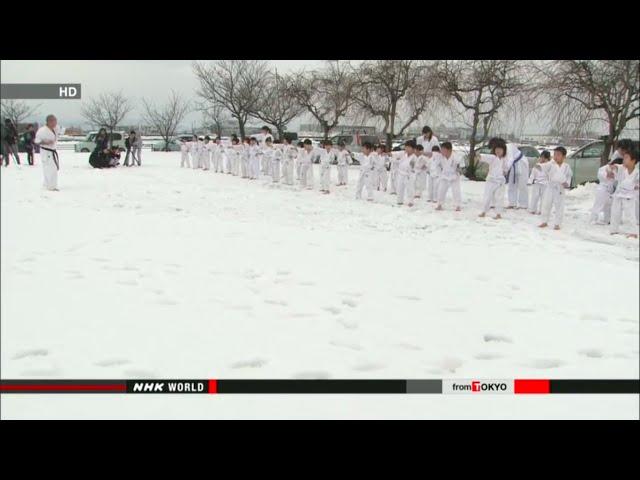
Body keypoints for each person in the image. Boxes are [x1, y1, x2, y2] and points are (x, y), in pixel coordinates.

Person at [538, 146, 572, 230]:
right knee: (546, 204)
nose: (555, 157)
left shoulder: (567, 167)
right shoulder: (551, 164)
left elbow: (569, 177)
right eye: (554, 154)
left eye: (558, 155)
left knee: (559, 206)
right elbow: (540, 168)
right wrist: (541, 163)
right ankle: (544, 221)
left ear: (564, 157)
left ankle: (557, 224)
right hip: (550, 187)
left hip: (560, 188)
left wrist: (566, 183)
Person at [476, 138, 510, 219]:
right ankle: (484, 211)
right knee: (487, 196)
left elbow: (506, 169)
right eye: (496, 149)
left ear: (504, 151)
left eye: (500, 149)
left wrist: (505, 172)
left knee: (499, 197)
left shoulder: (505, 159)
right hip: (491, 181)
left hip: (500, 182)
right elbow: (483, 157)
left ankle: (498, 213)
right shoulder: (492, 157)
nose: (498, 151)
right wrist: (478, 156)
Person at [609, 147, 639, 238]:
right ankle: (614, 229)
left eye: (626, 158)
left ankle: (633, 232)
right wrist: (613, 167)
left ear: (633, 160)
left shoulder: (637, 172)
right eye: (624, 158)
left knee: (630, 214)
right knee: (615, 212)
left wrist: (637, 186)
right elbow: (614, 168)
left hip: (629, 195)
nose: (624, 160)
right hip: (619, 194)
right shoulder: (622, 168)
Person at [589, 157, 620, 224]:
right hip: (602, 188)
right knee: (599, 204)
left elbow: (617, 179)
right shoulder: (605, 168)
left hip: (610, 190)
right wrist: (607, 174)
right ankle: (593, 219)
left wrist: (613, 175)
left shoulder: (617, 170)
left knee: (609, 206)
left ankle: (608, 219)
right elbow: (600, 175)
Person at [435, 142, 464, 211]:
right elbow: (437, 166)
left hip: (454, 176)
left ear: (449, 150)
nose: (441, 151)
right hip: (444, 176)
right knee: (441, 190)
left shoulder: (457, 157)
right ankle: (439, 204)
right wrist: (439, 173)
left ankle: (458, 205)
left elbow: (462, 167)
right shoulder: (439, 156)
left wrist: (460, 169)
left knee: (456, 191)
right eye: (441, 149)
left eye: (443, 149)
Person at [34, 115, 60, 190]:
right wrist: (45, 142)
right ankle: (50, 186)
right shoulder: (42, 131)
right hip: (46, 151)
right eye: (53, 121)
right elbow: (36, 141)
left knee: (53, 168)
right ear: (48, 121)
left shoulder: (56, 128)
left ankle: (48, 184)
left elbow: (58, 134)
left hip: (52, 151)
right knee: (49, 168)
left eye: (55, 121)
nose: (55, 123)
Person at [389, 140, 418, 206]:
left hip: (409, 175)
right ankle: (400, 201)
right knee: (400, 188)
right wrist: (390, 153)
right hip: (401, 174)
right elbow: (396, 154)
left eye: (408, 147)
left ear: (413, 149)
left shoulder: (414, 157)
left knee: (410, 188)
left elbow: (412, 167)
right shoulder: (404, 154)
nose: (406, 148)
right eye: (406, 147)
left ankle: (411, 201)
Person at [505, 143, 529, 209]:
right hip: (513, 166)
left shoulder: (508, 146)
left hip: (521, 163)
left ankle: (523, 204)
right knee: (511, 184)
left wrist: (505, 170)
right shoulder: (502, 149)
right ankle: (512, 203)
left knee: (522, 185)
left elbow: (510, 159)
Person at [528, 150, 550, 215]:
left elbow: (551, 175)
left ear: (547, 159)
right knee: (534, 197)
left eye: (544, 158)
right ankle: (532, 209)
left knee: (544, 198)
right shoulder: (537, 165)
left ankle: (542, 210)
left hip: (545, 184)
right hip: (537, 183)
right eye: (541, 157)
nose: (542, 159)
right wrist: (530, 181)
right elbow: (532, 174)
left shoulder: (549, 166)